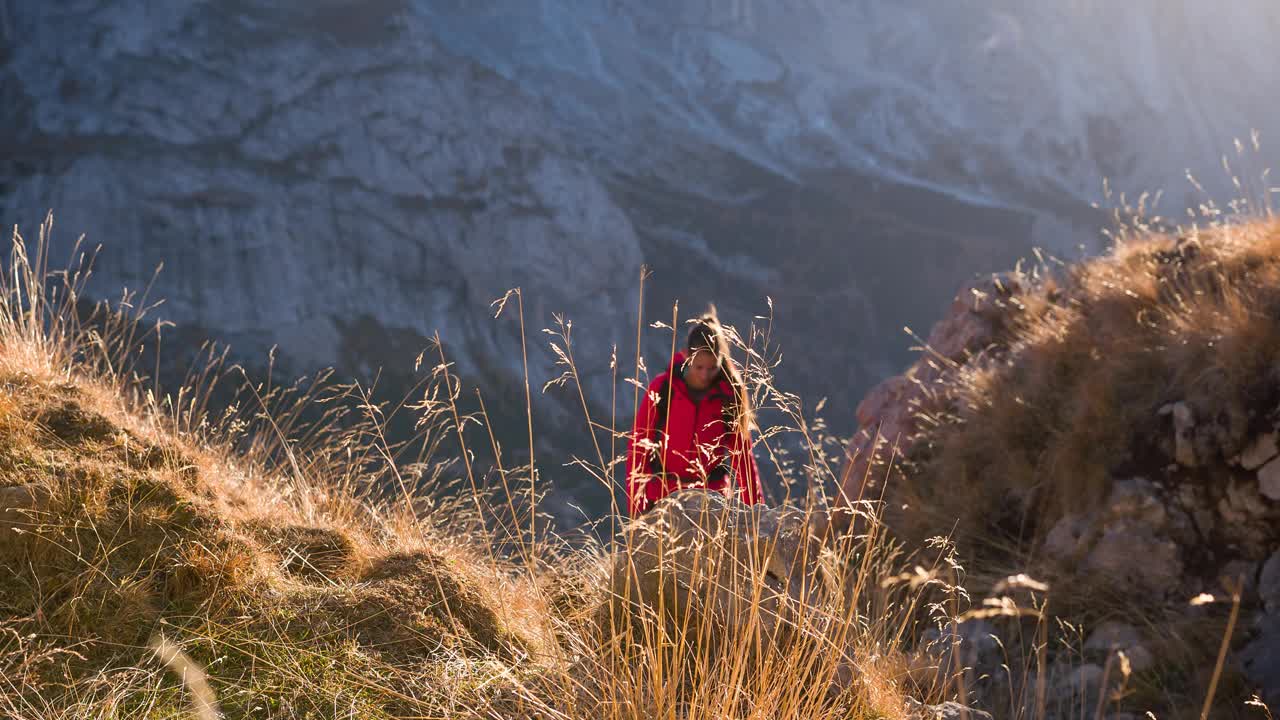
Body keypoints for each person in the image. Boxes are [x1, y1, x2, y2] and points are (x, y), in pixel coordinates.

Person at [625, 307, 762, 515]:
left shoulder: (729, 395)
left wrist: (755, 513)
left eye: (712, 368)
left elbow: (743, 457)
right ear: (687, 357)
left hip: (711, 504)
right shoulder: (663, 388)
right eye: (699, 367)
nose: (705, 375)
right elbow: (638, 448)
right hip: (662, 500)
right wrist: (636, 509)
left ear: (720, 362)